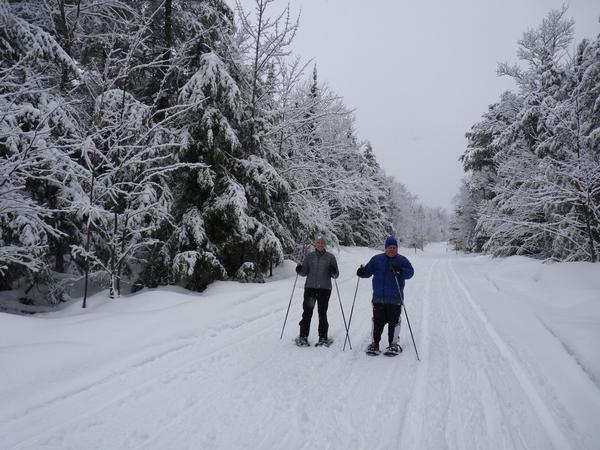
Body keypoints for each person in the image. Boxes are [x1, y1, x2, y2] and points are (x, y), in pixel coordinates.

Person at [357, 236, 414, 355]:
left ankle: (393, 345)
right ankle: (375, 344)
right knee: (377, 322)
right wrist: (361, 272)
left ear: (397, 248)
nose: (392, 250)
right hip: (379, 298)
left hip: (395, 299)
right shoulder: (377, 259)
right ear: (385, 248)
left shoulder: (402, 260)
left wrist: (401, 271)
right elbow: (367, 272)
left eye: (394, 247)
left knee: (394, 322)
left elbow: (410, 272)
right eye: (390, 247)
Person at [295, 237, 339, 346]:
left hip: (325, 289)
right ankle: (303, 337)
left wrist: (333, 271)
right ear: (315, 244)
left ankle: (323, 338)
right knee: (307, 312)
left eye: (322, 243)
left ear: (325, 245)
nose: (320, 244)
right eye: (318, 243)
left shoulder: (330, 257)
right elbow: (304, 272)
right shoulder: (310, 257)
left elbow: (336, 275)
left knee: (322, 313)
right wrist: (299, 270)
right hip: (310, 288)